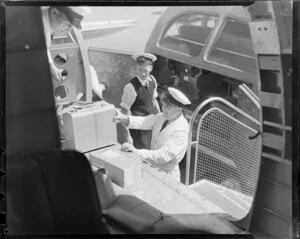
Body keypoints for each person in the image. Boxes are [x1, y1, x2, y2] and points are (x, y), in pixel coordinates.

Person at [115, 87, 191, 182]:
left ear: (179, 109)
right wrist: (123, 118)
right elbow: (145, 121)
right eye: (163, 105)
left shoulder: (181, 130)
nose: (164, 109)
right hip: (153, 170)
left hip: (167, 177)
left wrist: (137, 152)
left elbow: (163, 155)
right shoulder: (163, 117)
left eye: (168, 107)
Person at [120, 53, 161, 149]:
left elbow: (153, 100)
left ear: (151, 68)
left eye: (145, 70)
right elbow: (123, 112)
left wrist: (160, 116)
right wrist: (127, 136)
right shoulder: (131, 87)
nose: (142, 73)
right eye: (140, 70)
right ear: (136, 68)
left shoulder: (152, 81)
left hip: (152, 126)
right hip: (139, 131)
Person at [41, 6, 91, 81]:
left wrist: (51, 65)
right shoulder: (38, 27)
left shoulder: (47, 23)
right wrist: (49, 66)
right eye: (68, 25)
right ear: (54, 13)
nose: (68, 31)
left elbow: (44, 48)